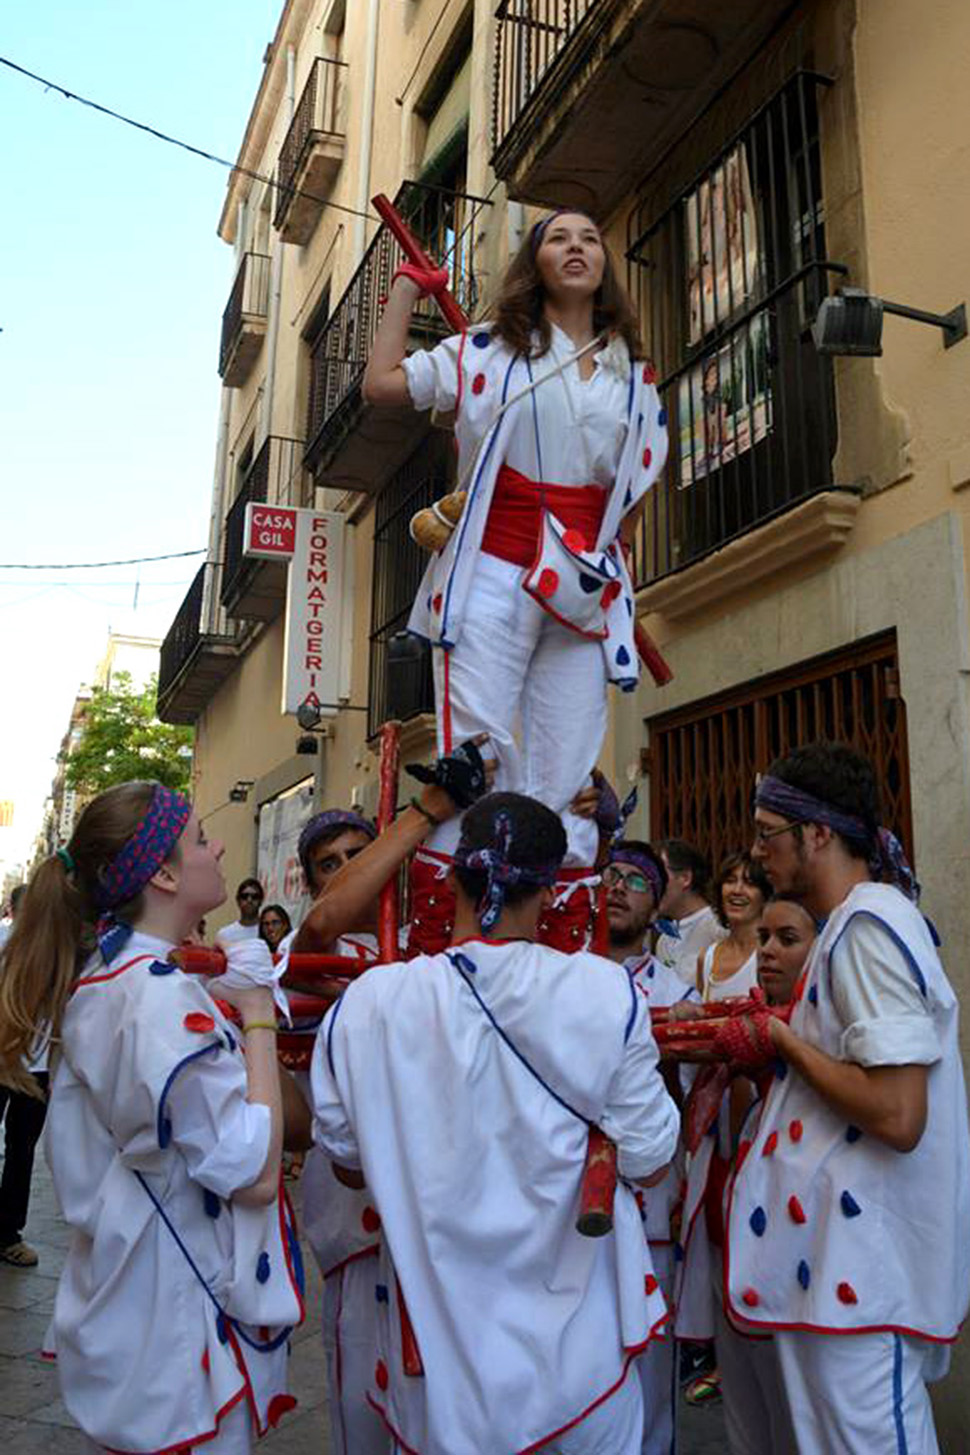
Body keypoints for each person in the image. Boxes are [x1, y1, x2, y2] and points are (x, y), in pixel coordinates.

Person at [312, 793, 680, 1454]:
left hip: (440, 1386)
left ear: (450, 876)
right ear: (549, 887)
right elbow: (651, 1153)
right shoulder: (603, 993)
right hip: (583, 1372)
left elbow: (346, 1160)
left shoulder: (368, 1006)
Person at [363, 210, 668, 947]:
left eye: (591, 238)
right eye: (558, 237)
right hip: (495, 567)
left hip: (579, 585)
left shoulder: (635, 371)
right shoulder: (486, 350)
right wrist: (409, 289)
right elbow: (382, 383)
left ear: (604, 263)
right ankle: (459, 941)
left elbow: (636, 485)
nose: (576, 247)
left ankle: (561, 943)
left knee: (566, 764)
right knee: (479, 751)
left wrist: (605, 567)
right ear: (536, 262)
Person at [0, 782, 310, 1453]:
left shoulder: (120, 980)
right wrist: (258, 1012)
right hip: (175, 1341)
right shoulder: (157, 996)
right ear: (164, 872)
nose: (218, 844)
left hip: (142, 1321)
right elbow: (253, 1173)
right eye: (201, 837)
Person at [726, 742, 970, 1453]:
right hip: (832, 1277)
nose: (757, 850)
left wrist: (781, 1039)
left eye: (768, 831)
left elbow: (898, 1113)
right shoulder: (849, 929)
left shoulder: (867, 926)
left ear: (819, 833)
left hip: (863, 1280)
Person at [706, 895, 816, 1455]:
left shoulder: (825, 1041)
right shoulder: (745, 1026)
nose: (767, 952)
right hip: (739, 1252)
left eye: (787, 940)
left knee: (797, 1422)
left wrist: (781, 1043)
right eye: (765, 939)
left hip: (801, 1271)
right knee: (749, 1428)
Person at [603, 840, 696, 1455]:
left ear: (657, 900)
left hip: (648, 1205)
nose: (617, 888)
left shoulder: (678, 993)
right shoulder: (558, 975)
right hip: (568, 1213)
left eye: (634, 881)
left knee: (649, 1374)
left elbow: (686, 1110)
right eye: (609, 875)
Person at [0, 883, 48, 1267]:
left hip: (38, 1067)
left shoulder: (55, 949)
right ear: (16, 910)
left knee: (22, 1150)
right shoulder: (3, 940)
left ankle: (8, 1233)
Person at [696, 852, 771, 1003]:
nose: (737, 890)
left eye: (749, 883)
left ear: (765, 896)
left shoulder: (770, 954)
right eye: (730, 881)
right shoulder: (707, 958)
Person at [654, 839, 725, 986]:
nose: (653, 884)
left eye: (659, 874)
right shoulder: (664, 941)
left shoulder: (719, 927)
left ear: (685, 878)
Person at [217, 876, 265, 949]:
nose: (249, 900)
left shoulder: (268, 932)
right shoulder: (225, 934)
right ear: (238, 900)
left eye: (254, 896)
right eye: (244, 896)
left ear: (261, 901)